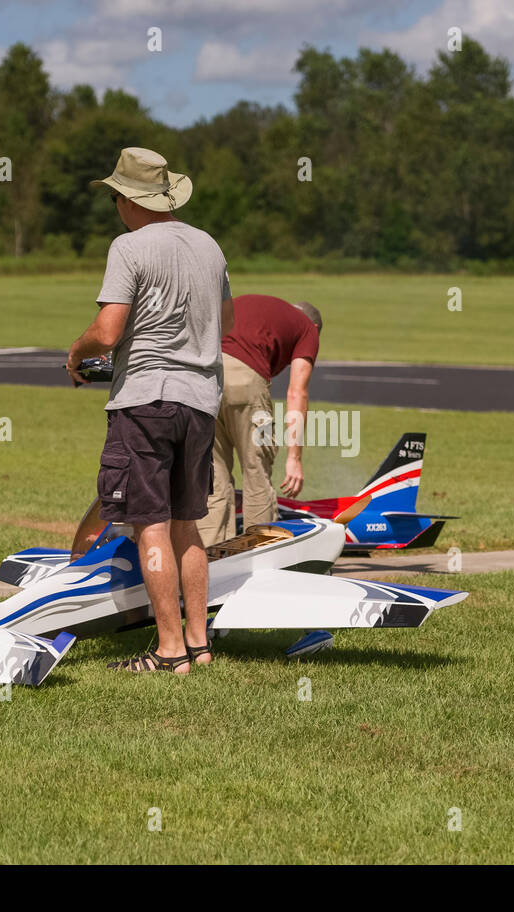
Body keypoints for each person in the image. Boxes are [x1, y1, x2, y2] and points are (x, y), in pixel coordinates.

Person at [65, 147, 234, 673]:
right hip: (202, 402)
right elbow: (224, 324)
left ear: (127, 200)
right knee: (188, 526)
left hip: (146, 400)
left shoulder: (128, 247)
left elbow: (109, 330)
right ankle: (199, 645)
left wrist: (76, 353)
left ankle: (167, 652)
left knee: (150, 526)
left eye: (116, 196)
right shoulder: (210, 245)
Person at [197, 294, 322, 548]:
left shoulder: (260, 308)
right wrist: (294, 459)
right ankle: (258, 557)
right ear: (316, 328)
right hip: (244, 383)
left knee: (214, 481)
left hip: (202, 379)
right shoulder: (308, 328)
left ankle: (210, 561)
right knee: (257, 474)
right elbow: (297, 392)